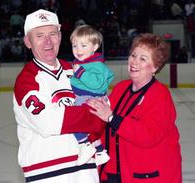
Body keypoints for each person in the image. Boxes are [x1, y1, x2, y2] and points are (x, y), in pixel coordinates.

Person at [13, 9, 105, 183]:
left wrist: (94, 115)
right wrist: (91, 114)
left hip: (86, 172)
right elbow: (48, 122)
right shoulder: (27, 81)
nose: (47, 41)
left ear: (60, 37)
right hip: (47, 175)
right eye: (39, 35)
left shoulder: (76, 69)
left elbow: (104, 111)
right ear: (27, 41)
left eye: (52, 34)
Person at [87, 33, 182, 183]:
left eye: (143, 59)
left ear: (155, 67)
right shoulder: (120, 88)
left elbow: (148, 136)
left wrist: (112, 117)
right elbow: (103, 125)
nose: (134, 62)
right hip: (113, 172)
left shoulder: (160, 95)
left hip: (145, 176)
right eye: (133, 55)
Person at [69, 24, 114, 166]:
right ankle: (100, 152)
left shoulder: (96, 65)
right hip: (84, 97)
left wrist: (80, 73)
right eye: (75, 46)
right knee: (89, 130)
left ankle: (84, 145)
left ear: (94, 47)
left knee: (73, 121)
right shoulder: (85, 63)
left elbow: (97, 83)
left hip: (87, 99)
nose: (78, 50)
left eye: (83, 45)